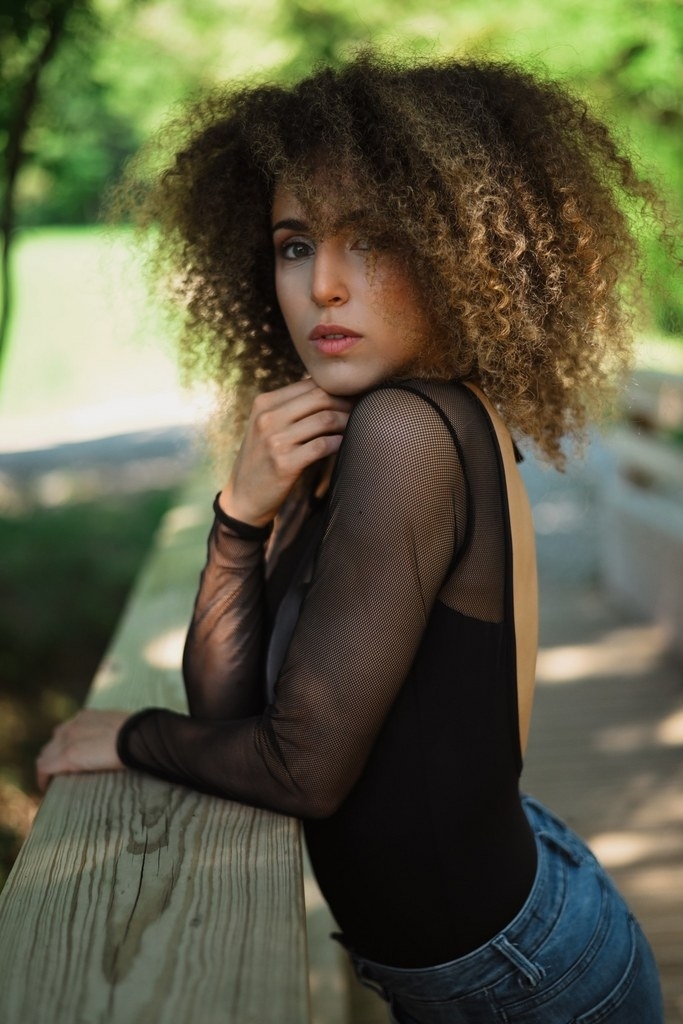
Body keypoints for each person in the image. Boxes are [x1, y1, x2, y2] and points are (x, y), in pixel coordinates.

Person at [37, 52, 666, 1022]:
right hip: (490, 952)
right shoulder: (357, 428)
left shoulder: (408, 429)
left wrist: (124, 735)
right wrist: (240, 515)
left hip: (522, 980)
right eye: (294, 245)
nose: (323, 285)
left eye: (369, 240)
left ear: (454, 251)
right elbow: (229, 712)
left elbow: (301, 768)